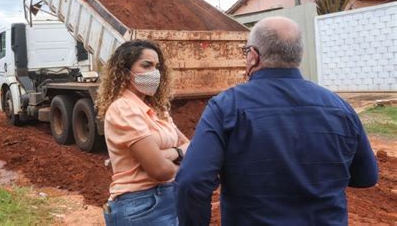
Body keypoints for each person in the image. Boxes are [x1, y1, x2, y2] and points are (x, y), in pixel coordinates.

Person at [175, 16, 378, 226]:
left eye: (246, 53)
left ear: (253, 56)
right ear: (298, 55)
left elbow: (192, 182)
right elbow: (366, 177)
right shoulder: (340, 107)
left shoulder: (226, 106)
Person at [96, 39, 189, 226]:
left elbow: (191, 145)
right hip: (141, 206)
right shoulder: (123, 108)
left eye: (157, 67)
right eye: (146, 65)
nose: (154, 73)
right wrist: (181, 156)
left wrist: (168, 154)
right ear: (125, 71)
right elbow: (160, 170)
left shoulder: (157, 109)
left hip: (168, 197)